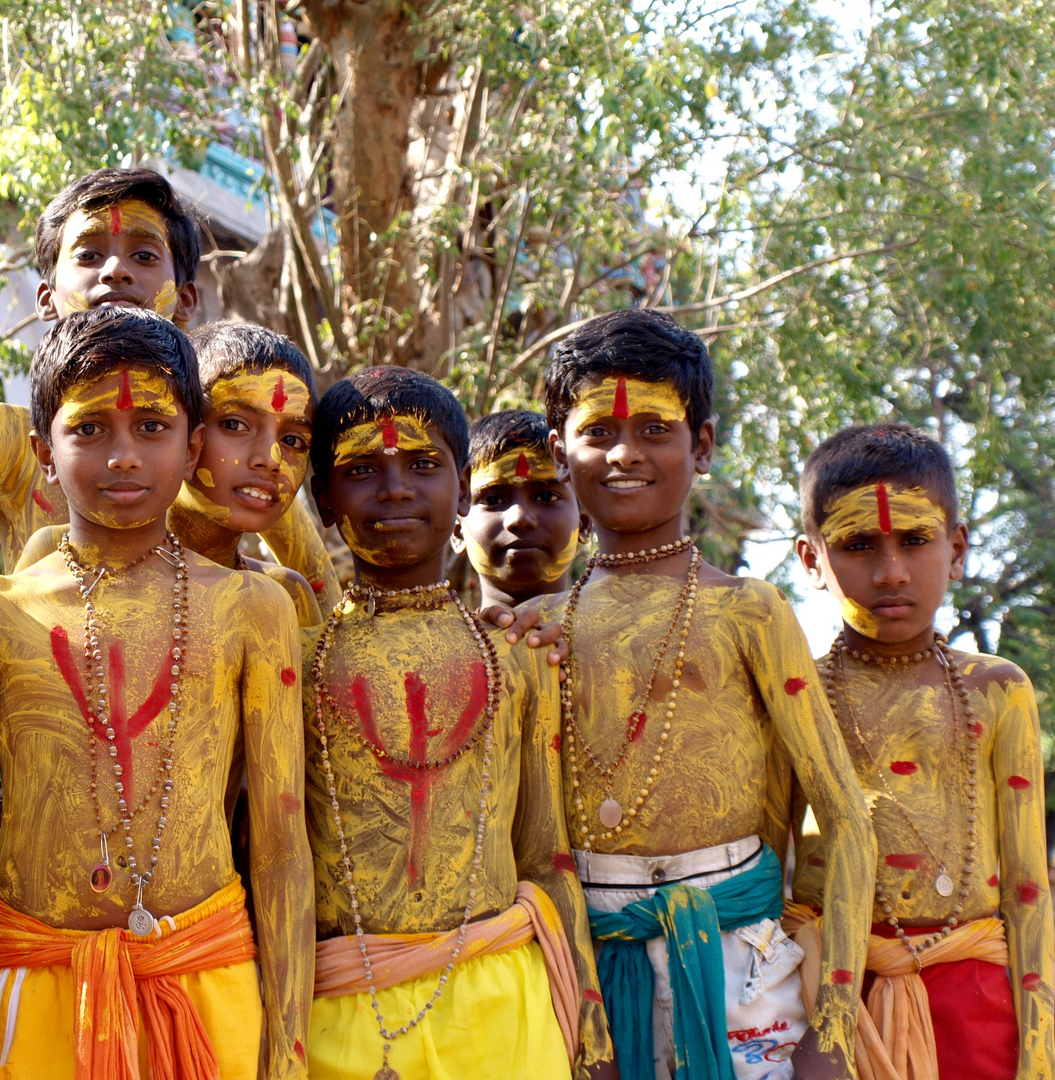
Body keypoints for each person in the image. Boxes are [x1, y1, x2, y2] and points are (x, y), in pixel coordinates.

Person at [0, 306, 313, 1080]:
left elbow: (279, 845)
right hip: (31, 985)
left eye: (151, 426)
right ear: (44, 451)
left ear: (193, 443)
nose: (125, 456)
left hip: (206, 983)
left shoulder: (253, 608)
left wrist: (290, 1046)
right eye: (90, 430)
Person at [527, 308, 875, 1080]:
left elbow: (845, 816)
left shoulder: (749, 610)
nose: (625, 452)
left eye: (655, 429)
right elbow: (535, 842)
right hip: (589, 971)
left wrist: (834, 1022)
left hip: (743, 972)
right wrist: (585, 1016)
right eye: (597, 432)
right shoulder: (534, 631)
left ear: (703, 445)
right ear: (559, 453)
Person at [302, 366, 616, 1080]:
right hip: (337, 1013)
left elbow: (546, 853)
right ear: (322, 498)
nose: (395, 490)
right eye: (360, 470)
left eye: (422, 465)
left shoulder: (516, 654)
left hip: (503, 1006)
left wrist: (592, 1035)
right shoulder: (292, 658)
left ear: (457, 490)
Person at [0, 168, 337, 603]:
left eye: (145, 255)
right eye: (89, 255)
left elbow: (323, 604)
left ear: (186, 299)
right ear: (46, 299)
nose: (115, 271)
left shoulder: (221, 441)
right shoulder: (2, 441)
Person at [788, 422, 1054, 1079]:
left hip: (979, 1009)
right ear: (811, 561)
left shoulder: (999, 691)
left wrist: (1040, 1049)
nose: (891, 571)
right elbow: (773, 873)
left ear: (957, 549)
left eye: (916, 540)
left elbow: (1028, 887)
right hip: (832, 1002)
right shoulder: (793, 697)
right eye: (856, 545)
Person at [17, 320, 323, 625]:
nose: (270, 459)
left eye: (292, 440)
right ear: (190, 438)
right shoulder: (61, 555)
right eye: (234, 425)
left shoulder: (283, 594)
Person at [453, 408, 581, 610]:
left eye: (546, 496)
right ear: (457, 532)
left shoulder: (629, 637)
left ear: (584, 524)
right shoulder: (429, 639)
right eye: (493, 499)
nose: (519, 518)